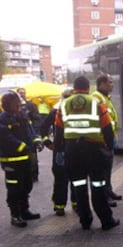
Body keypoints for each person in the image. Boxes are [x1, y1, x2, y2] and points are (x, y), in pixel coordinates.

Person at [54, 76, 120, 231]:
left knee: (79, 187)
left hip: (72, 151)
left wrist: (59, 150)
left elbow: (58, 130)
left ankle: (85, 221)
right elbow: (106, 127)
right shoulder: (96, 102)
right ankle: (106, 220)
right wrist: (109, 147)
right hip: (94, 150)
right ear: (87, 88)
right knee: (98, 186)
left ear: (75, 87)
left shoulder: (63, 105)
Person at [0, 90, 43, 227]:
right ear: (7, 104)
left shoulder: (22, 116)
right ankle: (15, 215)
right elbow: (7, 139)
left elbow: (30, 131)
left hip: (26, 159)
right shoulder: (3, 120)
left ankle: (25, 211)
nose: (18, 105)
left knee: (27, 185)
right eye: (15, 103)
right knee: (14, 188)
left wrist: (37, 141)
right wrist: (24, 147)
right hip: (12, 161)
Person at [40, 87, 77, 216]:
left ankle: (75, 203)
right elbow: (43, 127)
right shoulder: (56, 111)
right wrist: (47, 142)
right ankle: (60, 205)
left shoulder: (75, 110)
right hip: (61, 149)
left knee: (74, 177)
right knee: (63, 177)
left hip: (71, 148)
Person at [92, 74, 122, 208]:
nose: (112, 85)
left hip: (110, 137)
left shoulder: (105, 97)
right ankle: (105, 196)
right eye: (109, 82)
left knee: (108, 169)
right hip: (103, 139)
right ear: (101, 84)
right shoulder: (97, 98)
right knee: (103, 170)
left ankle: (109, 191)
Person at [16, 87, 41, 182]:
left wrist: (35, 132)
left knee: (33, 156)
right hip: (19, 136)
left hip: (30, 135)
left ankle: (34, 175)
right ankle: (23, 175)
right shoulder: (13, 107)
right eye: (20, 93)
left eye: (23, 93)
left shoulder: (31, 105)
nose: (21, 94)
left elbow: (37, 119)